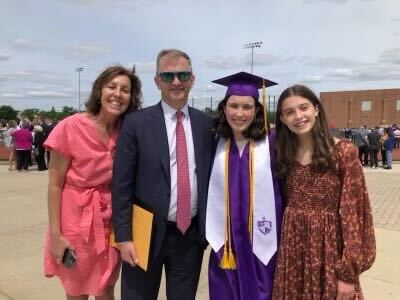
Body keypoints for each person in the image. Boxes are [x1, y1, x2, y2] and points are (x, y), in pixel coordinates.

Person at [111, 49, 214, 300]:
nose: (176, 82)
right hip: (143, 235)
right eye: (168, 76)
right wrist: (124, 238)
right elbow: (121, 186)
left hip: (189, 237)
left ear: (192, 79)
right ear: (157, 81)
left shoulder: (207, 124)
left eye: (182, 75)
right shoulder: (136, 123)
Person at [43, 65, 142, 300]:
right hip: (76, 218)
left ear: (131, 98)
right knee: (77, 290)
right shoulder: (70, 126)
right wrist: (56, 236)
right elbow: (55, 184)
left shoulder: (126, 130)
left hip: (113, 218)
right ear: (99, 91)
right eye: (112, 87)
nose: (117, 94)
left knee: (106, 287)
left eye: (125, 90)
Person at [272, 85, 376, 299]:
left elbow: (354, 215)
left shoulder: (343, 152)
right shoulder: (284, 154)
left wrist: (348, 272)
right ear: (282, 119)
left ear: (316, 109)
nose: (298, 116)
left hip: (328, 250)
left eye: (304, 108)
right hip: (293, 251)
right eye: (289, 112)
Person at [206, 72, 283, 300]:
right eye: (234, 106)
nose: (240, 113)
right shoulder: (215, 143)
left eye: (247, 107)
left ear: (257, 110)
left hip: (263, 240)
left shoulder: (273, 141)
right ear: (224, 108)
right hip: (226, 242)